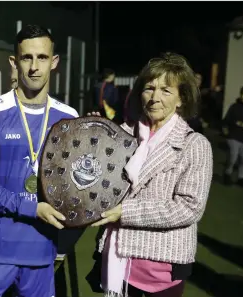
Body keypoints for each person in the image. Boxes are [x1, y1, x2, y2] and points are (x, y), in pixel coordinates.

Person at [0, 24, 79, 297]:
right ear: (14, 62)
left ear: (54, 62)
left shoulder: (70, 119)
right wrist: (31, 207)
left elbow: (73, 184)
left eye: (42, 58)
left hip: (40, 249)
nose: (34, 67)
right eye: (27, 58)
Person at [89, 52, 213, 297]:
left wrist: (126, 211)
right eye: (149, 88)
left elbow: (189, 208)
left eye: (166, 90)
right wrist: (92, 138)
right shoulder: (122, 133)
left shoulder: (194, 144)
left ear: (181, 99)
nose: (155, 98)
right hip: (118, 261)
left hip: (162, 270)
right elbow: (99, 176)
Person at [222, 84, 243, 187]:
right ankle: (227, 174)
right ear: (242, 94)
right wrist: (239, 123)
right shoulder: (234, 107)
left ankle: (241, 178)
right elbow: (227, 120)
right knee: (233, 157)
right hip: (234, 137)